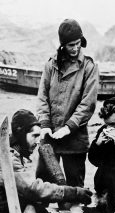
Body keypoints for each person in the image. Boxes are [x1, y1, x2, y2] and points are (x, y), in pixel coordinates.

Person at [37, 18, 99, 188]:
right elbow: (42, 96)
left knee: (74, 189)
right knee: (43, 185)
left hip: (74, 139)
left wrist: (69, 127)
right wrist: (44, 124)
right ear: (63, 45)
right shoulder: (50, 65)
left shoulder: (88, 67)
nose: (76, 48)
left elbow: (88, 103)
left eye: (78, 43)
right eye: (71, 45)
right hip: (49, 138)